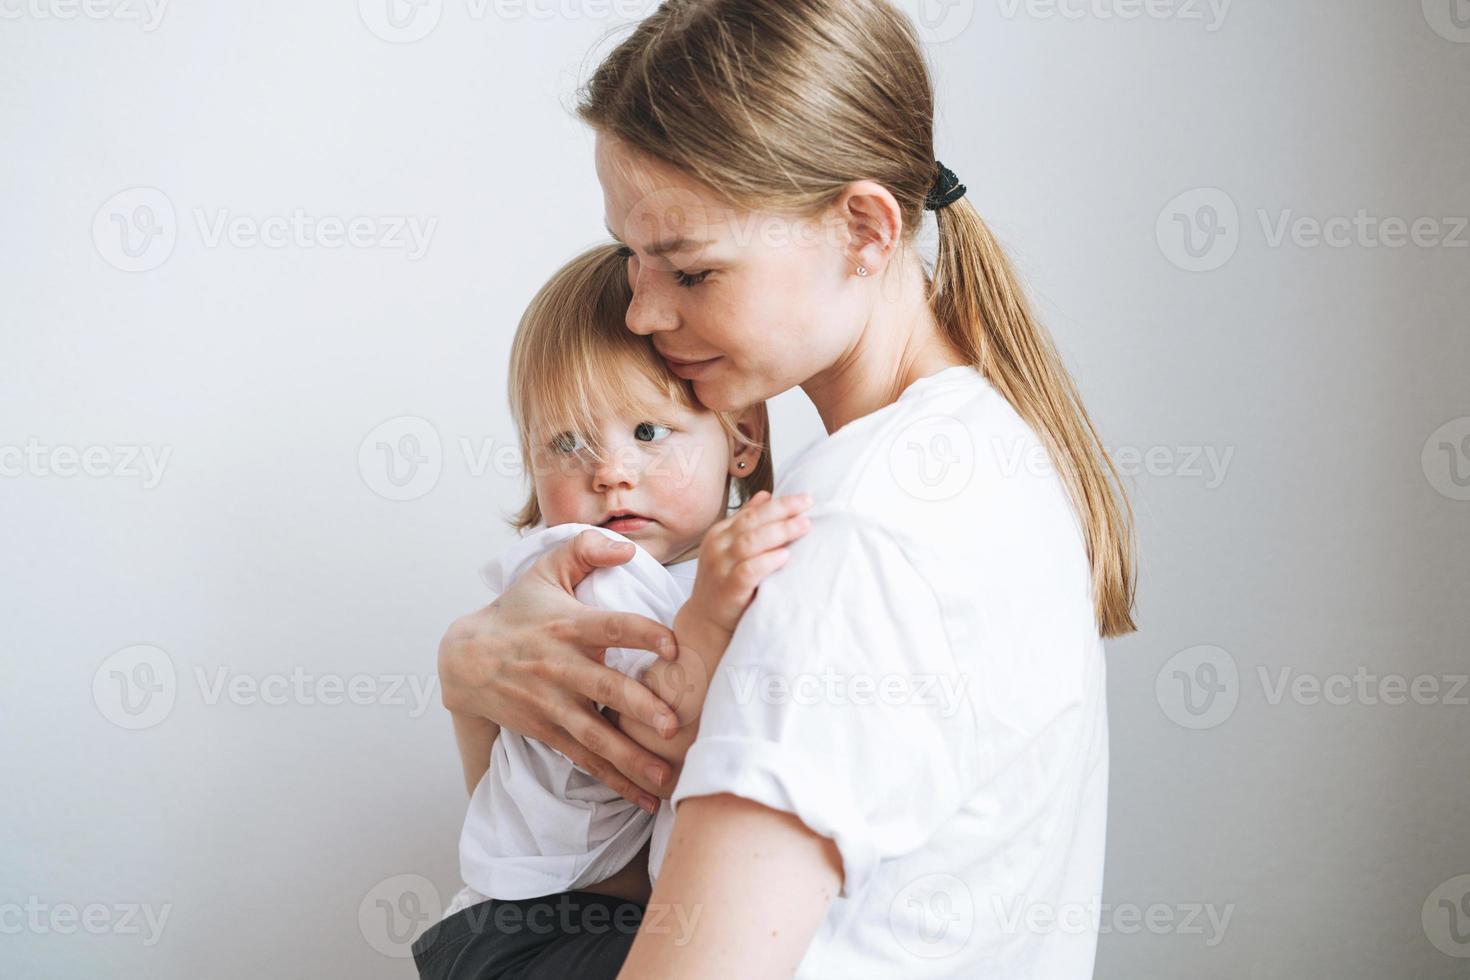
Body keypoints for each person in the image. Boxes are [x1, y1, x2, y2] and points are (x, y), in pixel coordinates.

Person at [438, 1, 1139, 975]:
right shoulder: (975, 449)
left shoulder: (856, 532)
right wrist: (473, 672)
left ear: (862, 227)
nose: (641, 310)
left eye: (690, 269)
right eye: (630, 258)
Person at [417, 243, 810, 979]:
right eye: (567, 443)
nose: (609, 472)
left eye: (648, 433)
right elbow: (652, 733)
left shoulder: (678, 570)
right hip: (541, 931)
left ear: (743, 438)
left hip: (547, 920)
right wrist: (711, 615)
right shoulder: (591, 570)